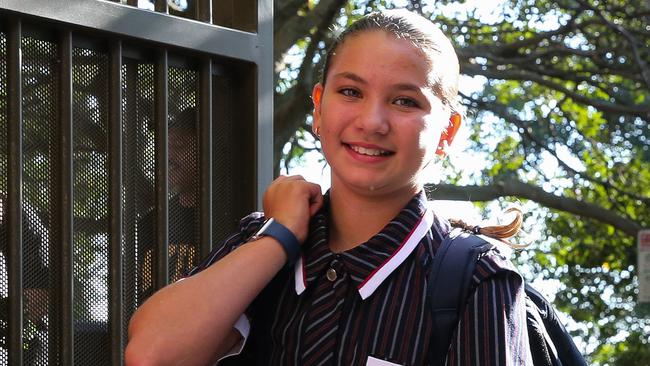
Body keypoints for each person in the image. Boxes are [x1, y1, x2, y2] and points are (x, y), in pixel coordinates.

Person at [125, 9, 532, 365]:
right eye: (350, 92)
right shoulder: (262, 241)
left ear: (447, 131)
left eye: (405, 101)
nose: (372, 122)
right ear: (318, 108)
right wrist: (278, 237)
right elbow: (152, 355)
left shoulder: (477, 278)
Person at [136, 107, 199, 301]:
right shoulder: (151, 222)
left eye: (179, 146)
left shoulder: (232, 219)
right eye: (166, 146)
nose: (168, 156)